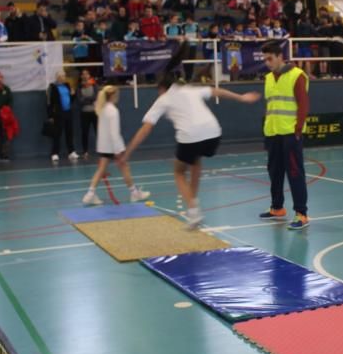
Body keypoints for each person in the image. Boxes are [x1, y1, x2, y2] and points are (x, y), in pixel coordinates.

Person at [120, 76, 260, 228]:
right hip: (213, 133)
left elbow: (146, 128)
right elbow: (216, 91)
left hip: (190, 136)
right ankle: (193, 202)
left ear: (162, 89)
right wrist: (241, 97)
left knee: (178, 172)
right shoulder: (191, 90)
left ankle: (193, 212)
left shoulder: (164, 98)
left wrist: (127, 153)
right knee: (195, 160)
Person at [258, 40, 311, 230]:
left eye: (270, 58)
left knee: (295, 173)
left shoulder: (297, 76)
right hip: (273, 133)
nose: (267, 62)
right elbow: (270, 105)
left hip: (290, 133)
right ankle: (277, 208)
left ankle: (301, 213)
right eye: (265, 59)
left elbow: (303, 105)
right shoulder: (268, 78)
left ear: (280, 57)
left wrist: (298, 130)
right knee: (275, 172)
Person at [81, 85, 151, 205]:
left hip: (104, 146)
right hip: (113, 147)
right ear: (112, 96)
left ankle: (90, 194)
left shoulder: (102, 108)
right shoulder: (113, 111)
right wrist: (118, 150)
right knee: (124, 167)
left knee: (101, 169)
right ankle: (134, 193)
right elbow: (114, 133)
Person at [46, 72, 78, 163]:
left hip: (68, 112)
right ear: (58, 77)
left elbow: (71, 99)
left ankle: (71, 152)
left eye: (64, 76)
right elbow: (49, 103)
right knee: (57, 134)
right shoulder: (52, 87)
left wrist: (73, 94)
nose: (64, 77)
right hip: (58, 114)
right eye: (63, 76)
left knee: (69, 133)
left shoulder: (67, 86)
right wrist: (50, 115)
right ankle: (55, 153)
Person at [77, 69, 98, 159]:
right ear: (81, 76)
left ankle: (102, 150)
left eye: (87, 74)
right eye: (83, 74)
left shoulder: (94, 84)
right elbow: (80, 100)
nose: (85, 76)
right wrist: (88, 100)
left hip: (94, 112)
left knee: (98, 132)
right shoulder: (79, 87)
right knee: (85, 132)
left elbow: (95, 96)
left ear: (89, 75)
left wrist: (87, 99)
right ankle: (85, 151)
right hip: (84, 113)